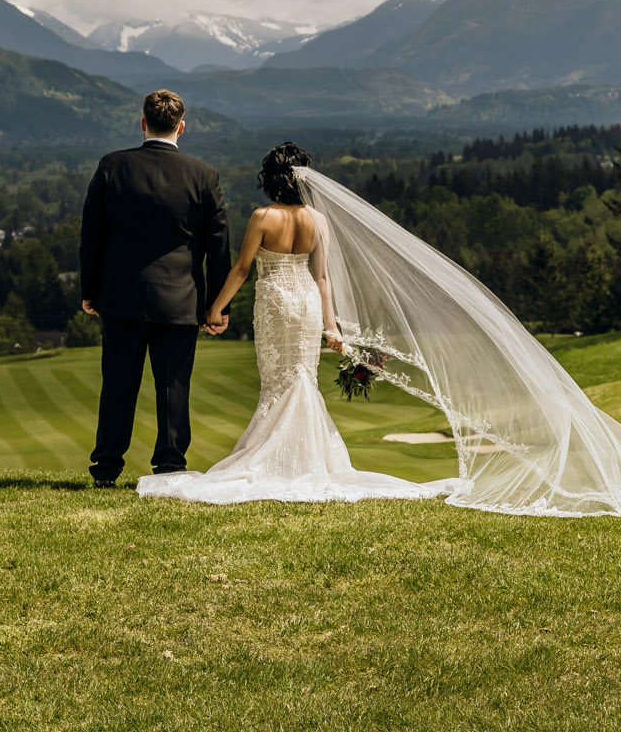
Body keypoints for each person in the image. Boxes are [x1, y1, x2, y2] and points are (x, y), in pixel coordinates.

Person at [137, 143, 457, 506]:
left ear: (271, 178)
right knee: (303, 378)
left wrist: (215, 309)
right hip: (306, 303)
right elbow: (322, 278)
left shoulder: (262, 217)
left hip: (274, 303)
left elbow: (241, 269)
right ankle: (309, 459)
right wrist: (331, 326)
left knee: (276, 382)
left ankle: (276, 458)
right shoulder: (319, 221)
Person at [79, 89, 231, 487]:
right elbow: (218, 246)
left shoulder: (112, 166)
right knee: (174, 388)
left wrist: (90, 290)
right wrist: (217, 305)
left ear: (143, 123)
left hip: (122, 296)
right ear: (181, 127)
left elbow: (91, 236)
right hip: (181, 299)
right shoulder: (203, 175)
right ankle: (169, 467)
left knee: (117, 385)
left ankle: (106, 469)